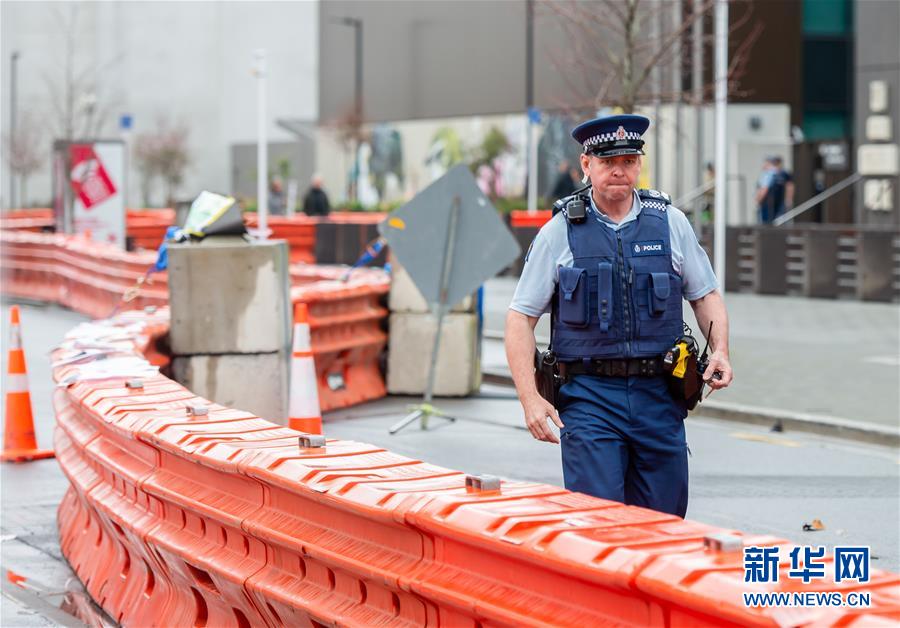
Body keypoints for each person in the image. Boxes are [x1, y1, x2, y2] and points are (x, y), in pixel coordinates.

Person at [505, 114, 733, 518]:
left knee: (663, 524)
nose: (619, 170)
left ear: (639, 165)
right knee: (599, 522)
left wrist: (720, 351)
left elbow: (705, 295)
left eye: (628, 161)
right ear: (586, 164)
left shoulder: (670, 224)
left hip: (659, 398)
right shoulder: (559, 231)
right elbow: (520, 317)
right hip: (590, 398)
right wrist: (530, 399)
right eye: (608, 161)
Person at [756, 156, 794, 223]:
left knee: (768, 222)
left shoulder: (769, 173)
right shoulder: (780, 173)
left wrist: (759, 199)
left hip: (771, 202)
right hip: (773, 202)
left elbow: (764, 188)